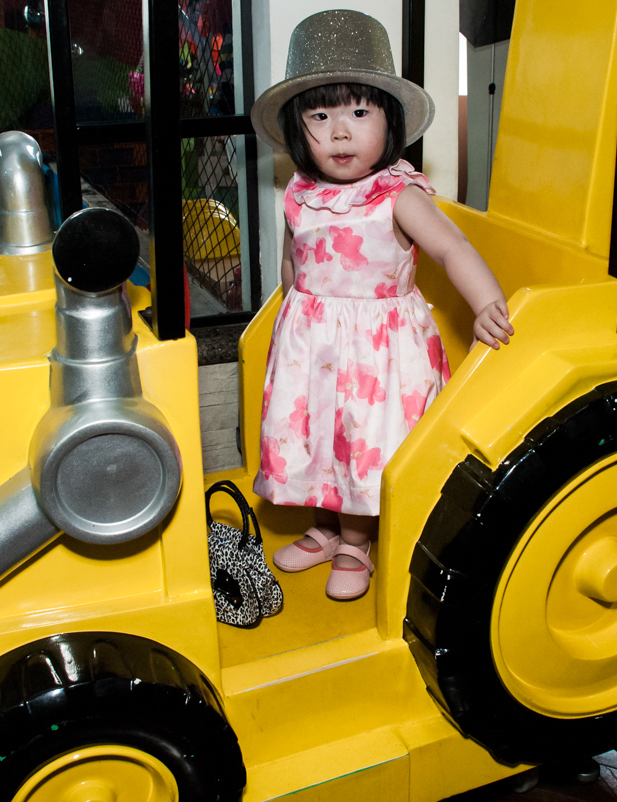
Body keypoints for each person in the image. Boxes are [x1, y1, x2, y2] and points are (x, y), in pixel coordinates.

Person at [248, 10, 513, 600]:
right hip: (312, 344)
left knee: (365, 438)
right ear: (298, 126)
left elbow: (452, 248)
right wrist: (294, 314)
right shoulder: (300, 193)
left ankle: (356, 543)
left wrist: (486, 302)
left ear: (388, 121)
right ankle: (324, 526)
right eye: (321, 115)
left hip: (378, 351)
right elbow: (296, 259)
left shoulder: (396, 194)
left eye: (358, 112)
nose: (340, 132)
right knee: (317, 434)